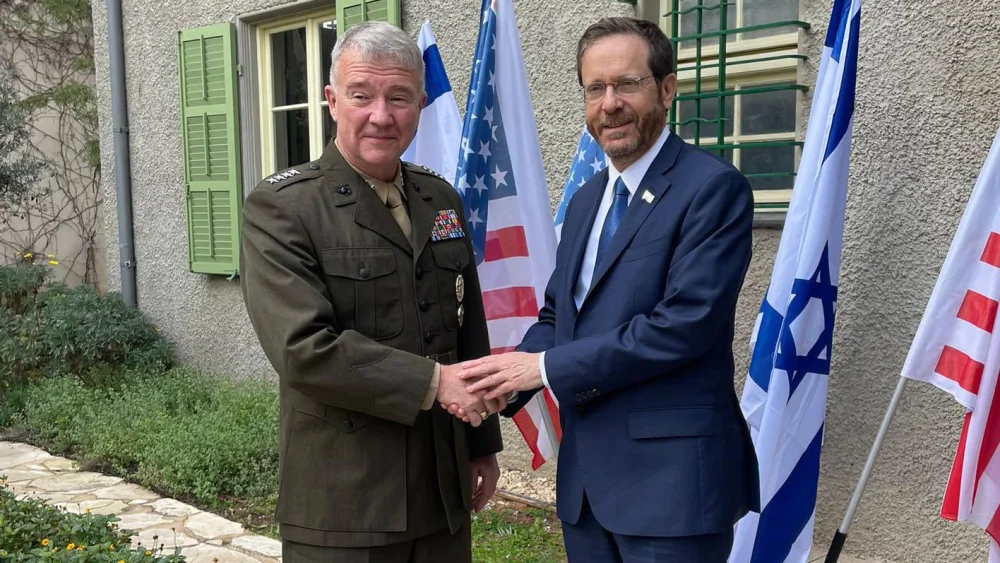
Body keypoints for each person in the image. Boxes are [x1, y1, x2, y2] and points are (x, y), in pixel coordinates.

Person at [450, 17, 760, 563]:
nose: (609, 103)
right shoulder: (589, 198)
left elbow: (682, 326)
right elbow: (558, 317)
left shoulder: (713, 189)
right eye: (596, 88)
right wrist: (506, 378)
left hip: (673, 492)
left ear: (666, 89)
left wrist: (541, 371)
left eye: (628, 84)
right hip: (588, 489)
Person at [239, 20, 504, 563]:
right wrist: (435, 382)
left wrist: (481, 445)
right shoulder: (283, 208)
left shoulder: (441, 198)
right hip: (346, 503)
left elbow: (466, 326)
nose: (381, 115)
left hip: (442, 492)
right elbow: (303, 350)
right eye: (362, 95)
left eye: (399, 97)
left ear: (420, 103)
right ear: (332, 100)